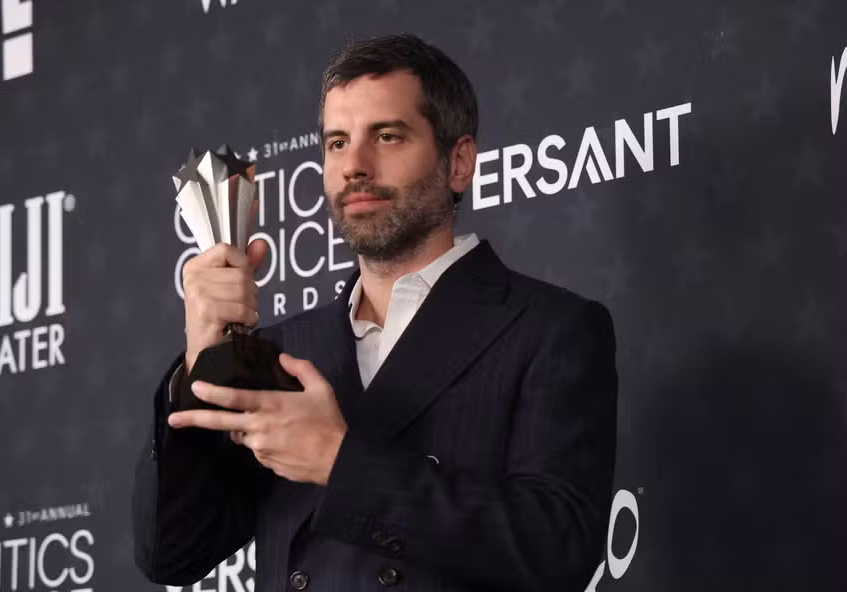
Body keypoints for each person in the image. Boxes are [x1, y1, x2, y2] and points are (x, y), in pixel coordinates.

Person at [133, 33, 617, 592]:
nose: (354, 166)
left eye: (387, 137)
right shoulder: (284, 350)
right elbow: (170, 554)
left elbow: (558, 550)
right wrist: (201, 360)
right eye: (336, 143)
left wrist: (341, 465)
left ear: (458, 163)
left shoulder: (549, 328)